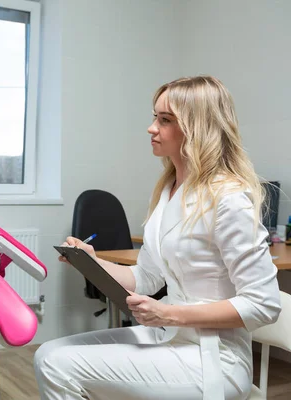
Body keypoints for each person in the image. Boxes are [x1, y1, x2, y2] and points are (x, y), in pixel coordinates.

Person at [34, 76, 281, 400]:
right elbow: (144, 278)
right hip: (169, 336)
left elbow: (263, 304)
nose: (152, 128)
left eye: (165, 120)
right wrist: (92, 262)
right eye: (155, 117)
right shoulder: (168, 191)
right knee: (49, 354)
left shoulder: (228, 198)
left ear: (197, 127)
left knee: (56, 363)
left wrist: (169, 313)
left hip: (214, 359)